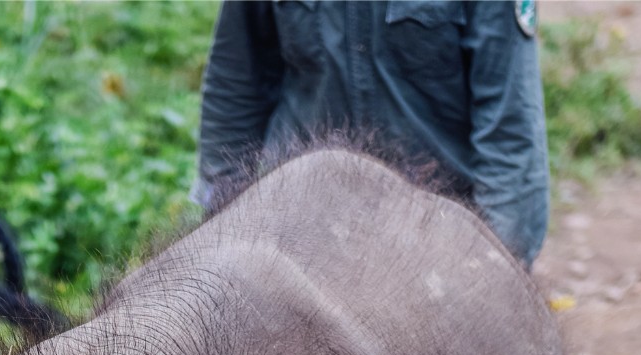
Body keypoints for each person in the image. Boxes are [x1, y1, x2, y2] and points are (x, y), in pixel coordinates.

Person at [194, 1, 551, 266]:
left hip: (436, 244)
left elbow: (510, 133)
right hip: (302, 232)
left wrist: (493, 266)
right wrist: (222, 221)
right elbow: (236, 85)